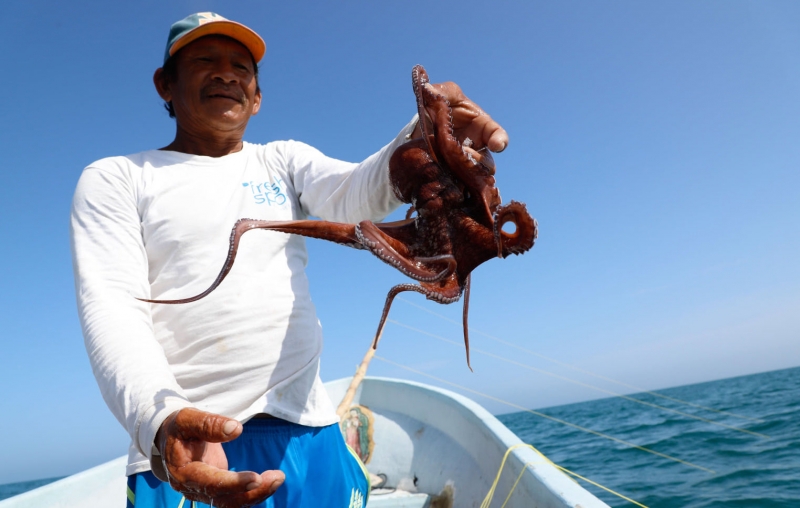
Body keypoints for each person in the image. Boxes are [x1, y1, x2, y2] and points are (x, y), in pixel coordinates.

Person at [70, 12, 508, 508]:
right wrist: (161, 419)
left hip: (309, 431)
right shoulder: (118, 178)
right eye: (204, 60)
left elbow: (356, 193)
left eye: (241, 67)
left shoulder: (281, 160)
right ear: (164, 84)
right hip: (188, 444)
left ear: (257, 98)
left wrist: (425, 136)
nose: (226, 74)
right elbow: (112, 308)